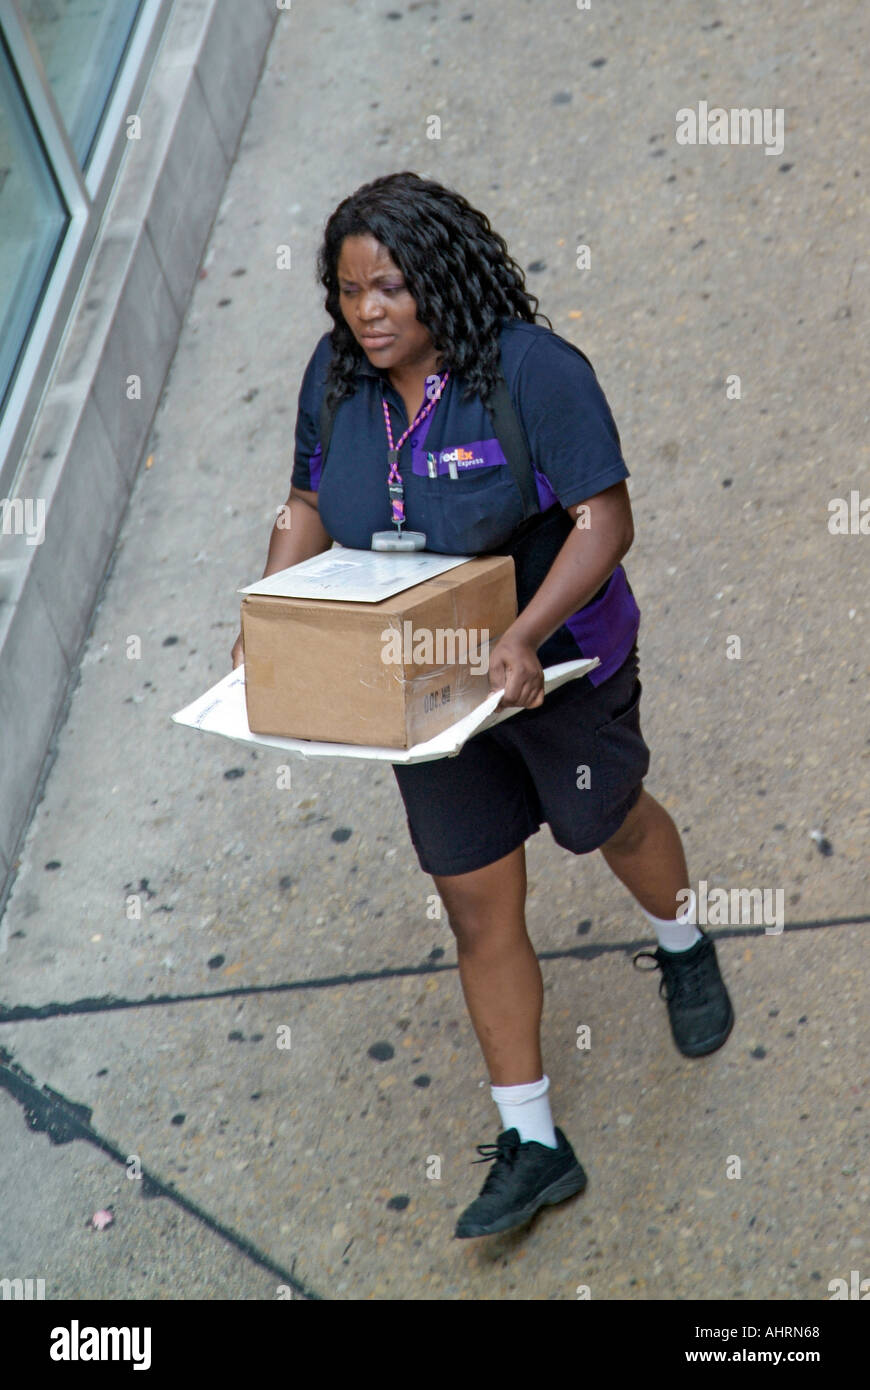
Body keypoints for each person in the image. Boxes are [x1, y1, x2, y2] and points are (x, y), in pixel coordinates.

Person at [231, 171, 734, 1240]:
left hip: (554, 667)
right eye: (349, 290)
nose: (367, 311)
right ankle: (534, 1139)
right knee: (473, 901)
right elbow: (310, 501)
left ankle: (685, 942)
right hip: (419, 683)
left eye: (390, 288)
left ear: (439, 281)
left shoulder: (532, 374)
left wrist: (519, 633)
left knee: (613, 822)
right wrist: (271, 613)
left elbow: (604, 521)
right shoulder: (336, 378)